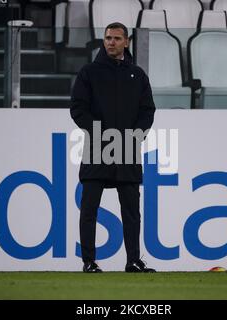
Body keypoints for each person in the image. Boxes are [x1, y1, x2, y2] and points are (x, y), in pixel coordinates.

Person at [70, 22, 156, 273]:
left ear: (126, 42)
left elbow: (147, 111)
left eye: (117, 38)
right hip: (98, 148)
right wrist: (101, 133)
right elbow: (77, 109)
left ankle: (133, 261)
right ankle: (88, 262)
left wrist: (133, 137)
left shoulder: (138, 75)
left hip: (127, 150)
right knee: (89, 209)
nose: (111, 42)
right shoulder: (89, 73)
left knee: (131, 211)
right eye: (107, 37)